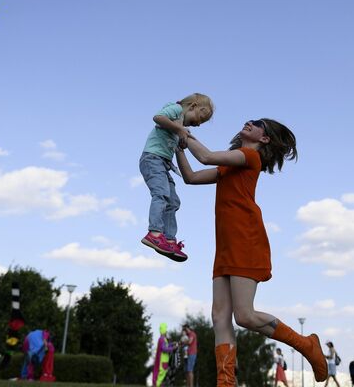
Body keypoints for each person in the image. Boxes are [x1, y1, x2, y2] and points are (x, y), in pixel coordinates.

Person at [176, 119, 327, 387]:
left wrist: (181, 131)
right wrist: (178, 147)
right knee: (219, 316)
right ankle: (225, 383)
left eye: (257, 124)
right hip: (225, 245)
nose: (249, 122)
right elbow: (191, 177)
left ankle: (307, 345)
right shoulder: (229, 166)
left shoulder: (250, 156)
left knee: (244, 315)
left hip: (246, 239)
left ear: (264, 139)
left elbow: (206, 156)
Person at [140, 93, 214, 262]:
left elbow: (171, 138)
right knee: (162, 194)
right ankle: (154, 233)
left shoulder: (178, 125)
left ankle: (169, 239)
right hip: (152, 159)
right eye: (198, 119)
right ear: (193, 106)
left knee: (173, 201)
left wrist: (179, 144)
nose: (197, 124)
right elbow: (157, 117)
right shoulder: (176, 109)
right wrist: (179, 129)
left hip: (164, 163)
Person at [153, 322, 178, 387]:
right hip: (163, 361)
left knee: (162, 377)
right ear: (163, 330)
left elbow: (166, 345)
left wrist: (172, 344)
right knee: (161, 377)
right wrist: (173, 348)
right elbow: (164, 348)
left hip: (164, 361)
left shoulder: (163, 339)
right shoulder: (162, 339)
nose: (166, 331)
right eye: (166, 329)